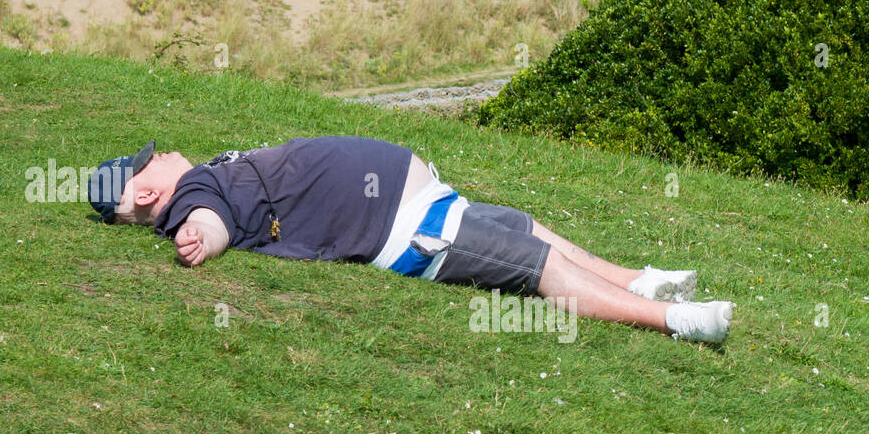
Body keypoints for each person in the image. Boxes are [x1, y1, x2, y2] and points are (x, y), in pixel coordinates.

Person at [85, 136, 734, 343]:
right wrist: (198, 241)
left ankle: (639, 278)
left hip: (417, 200)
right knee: (532, 263)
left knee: (521, 226)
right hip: (405, 231)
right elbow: (210, 227)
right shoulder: (194, 199)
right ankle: (675, 319)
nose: (163, 150)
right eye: (151, 159)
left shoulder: (204, 173)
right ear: (146, 193)